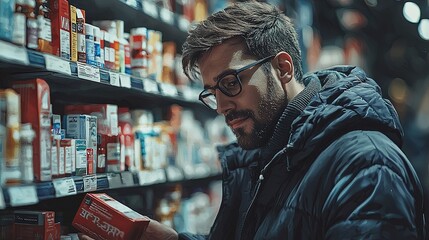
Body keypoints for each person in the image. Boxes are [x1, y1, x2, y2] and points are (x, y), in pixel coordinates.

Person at [80, 1, 427, 239]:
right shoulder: (264, 153)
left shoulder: (366, 164)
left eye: (231, 83)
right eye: (213, 92)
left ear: (283, 67)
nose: (221, 106)